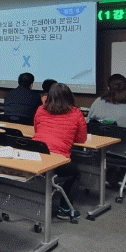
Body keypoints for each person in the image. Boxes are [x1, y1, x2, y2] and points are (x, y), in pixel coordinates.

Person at [33, 83, 87, 220]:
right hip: (57, 159)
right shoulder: (76, 113)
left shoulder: (41, 109)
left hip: (37, 154)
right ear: (70, 96)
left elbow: (36, 130)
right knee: (75, 173)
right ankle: (65, 209)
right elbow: (81, 139)